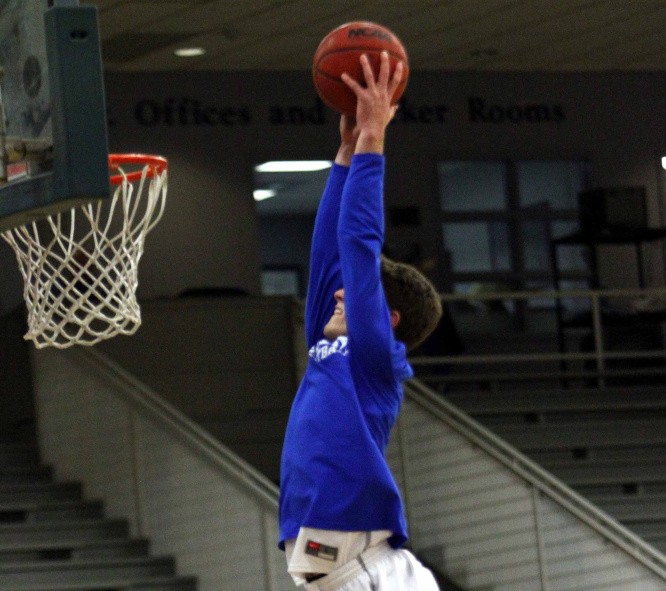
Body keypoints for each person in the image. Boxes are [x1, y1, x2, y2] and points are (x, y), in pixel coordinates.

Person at [278, 51, 443, 591]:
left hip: (366, 572)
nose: (340, 291)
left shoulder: (374, 359)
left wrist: (374, 139)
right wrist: (345, 157)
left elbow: (358, 241)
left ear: (385, 318)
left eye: (357, 288)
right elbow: (329, 250)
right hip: (352, 570)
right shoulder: (327, 348)